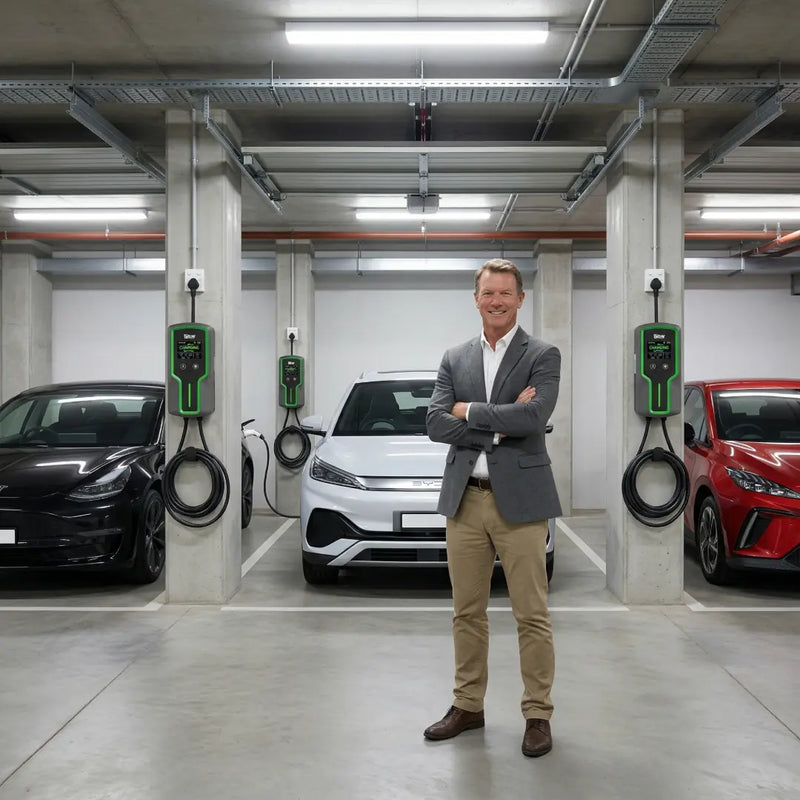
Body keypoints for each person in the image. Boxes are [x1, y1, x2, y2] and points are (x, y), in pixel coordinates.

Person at [424, 257, 562, 758]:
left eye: (506, 293)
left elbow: (537, 414)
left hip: (521, 504)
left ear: (520, 299)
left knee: (532, 614)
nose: (497, 301)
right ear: (476, 298)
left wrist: (469, 411)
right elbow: (435, 423)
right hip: (465, 501)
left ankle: (538, 714)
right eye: (489, 293)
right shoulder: (455, 357)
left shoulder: (543, 354)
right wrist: (501, 422)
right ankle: (468, 705)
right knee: (467, 612)